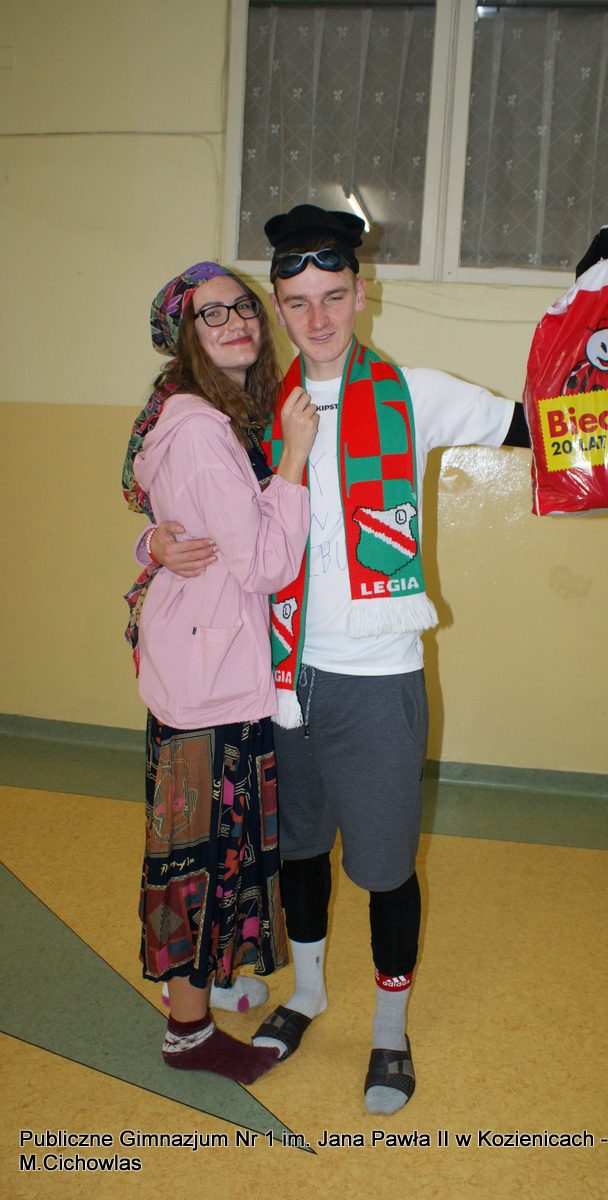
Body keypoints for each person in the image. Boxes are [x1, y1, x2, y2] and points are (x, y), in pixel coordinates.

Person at [144, 209, 531, 1111]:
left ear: (362, 294)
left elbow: (532, 429)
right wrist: (151, 544)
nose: (315, 319)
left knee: (387, 867)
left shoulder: (414, 394)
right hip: (275, 678)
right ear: (278, 310)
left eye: (332, 296)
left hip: (378, 677)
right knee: (301, 854)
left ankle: (390, 1031)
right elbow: (175, 501)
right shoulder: (251, 413)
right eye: (296, 302)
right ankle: (309, 995)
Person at [123, 260, 318, 1085]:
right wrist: (295, 461)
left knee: (205, 846)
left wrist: (151, 542)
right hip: (210, 678)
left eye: (243, 307)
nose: (236, 321)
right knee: (199, 858)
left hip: (198, 661)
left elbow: (171, 516)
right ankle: (188, 1034)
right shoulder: (205, 429)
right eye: (211, 314)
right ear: (184, 337)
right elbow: (266, 563)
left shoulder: (199, 414)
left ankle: (209, 986)